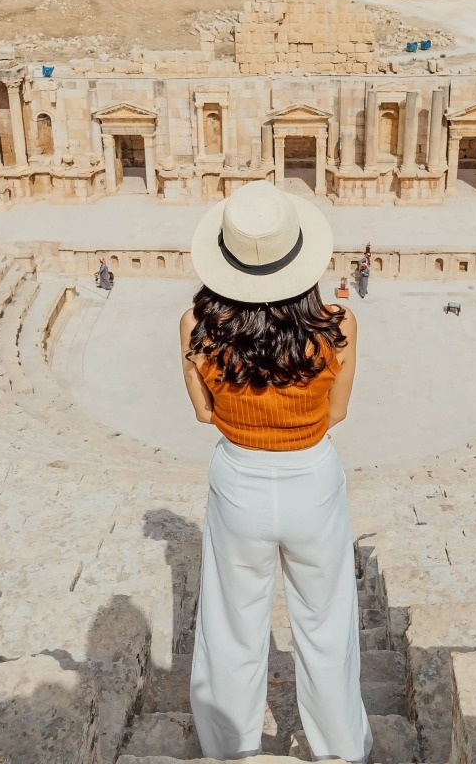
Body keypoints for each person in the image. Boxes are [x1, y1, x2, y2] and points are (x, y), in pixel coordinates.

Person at [180, 181, 370, 763]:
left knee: (231, 626)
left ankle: (228, 751)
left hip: (239, 481)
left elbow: (203, 413)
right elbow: (337, 412)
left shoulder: (196, 327)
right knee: (326, 624)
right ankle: (342, 750)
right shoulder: (338, 325)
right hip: (312, 478)